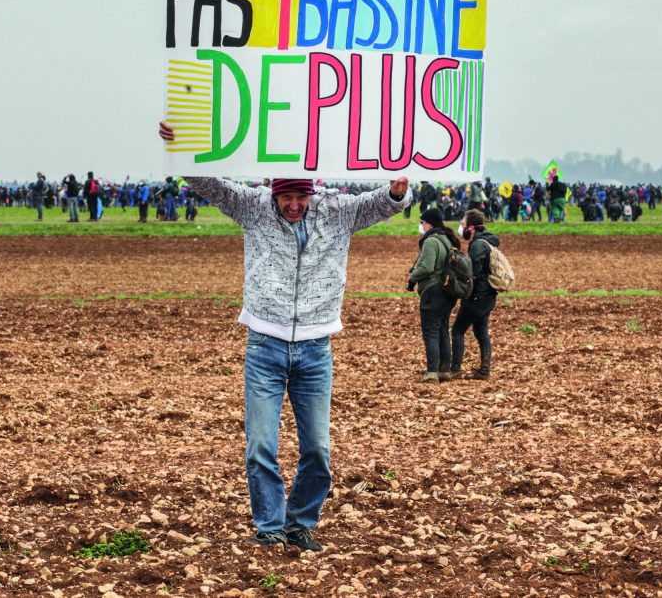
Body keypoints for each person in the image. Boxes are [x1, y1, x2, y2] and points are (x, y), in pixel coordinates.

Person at [158, 120, 411, 552]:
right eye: (286, 197)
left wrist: (399, 189)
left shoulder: (337, 210)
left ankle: (300, 523)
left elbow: (384, 203)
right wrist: (180, 146)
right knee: (260, 446)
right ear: (274, 193)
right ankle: (270, 527)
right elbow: (210, 184)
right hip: (264, 346)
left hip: (316, 349)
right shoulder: (252, 207)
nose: (293, 205)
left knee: (317, 450)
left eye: (300, 197)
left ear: (311, 193)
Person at [408, 208, 459, 383]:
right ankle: (444, 370)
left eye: (422, 222)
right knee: (443, 330)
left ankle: (431, 372)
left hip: (433, 290)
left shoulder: (431, 241)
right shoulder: (446, 239)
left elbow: (426, 267)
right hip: (447, 292)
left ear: (429, 223)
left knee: (430, 332)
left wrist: (412, 276)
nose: (421, 225)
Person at [450, 209, 498, 381]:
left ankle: (455, 369)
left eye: (462, 224)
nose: (461, 227)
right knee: (481, 332)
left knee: (457, 331)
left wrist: (471, 295)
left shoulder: (477, 245)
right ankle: (484, 371)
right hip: (488, 296)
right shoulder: (486, 242)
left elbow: (475, 275)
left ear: (471, 227)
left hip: (478, 297)